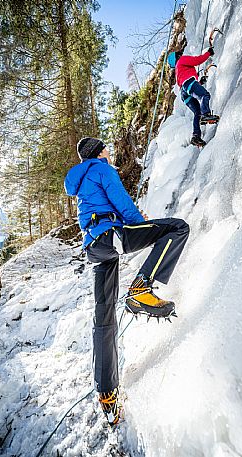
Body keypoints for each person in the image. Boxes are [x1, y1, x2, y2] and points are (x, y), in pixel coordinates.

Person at [64, 137, 190, 426]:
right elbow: (121, 201)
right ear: (98, 152)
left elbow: (102, 206)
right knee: (177, 228)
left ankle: (107, 394)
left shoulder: (81, 179)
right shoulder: (102, 168)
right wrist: (136, 223)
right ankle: (141, 288)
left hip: (95, 247)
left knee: (104, 318)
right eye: (105, 147)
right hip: (112, 235)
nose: (108, 150)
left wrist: (133, 225)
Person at [175, 46, 220, 147]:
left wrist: (199, 82)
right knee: (205, 95)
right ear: (178, 56)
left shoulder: (178, 70)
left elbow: (186, 85)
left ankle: (196, 136)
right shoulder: (181, 60)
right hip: (188, 84)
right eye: (179, 54)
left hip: (184, 93)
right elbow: (196, 61)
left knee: (197, 112)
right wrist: (208, 53)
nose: (181, 55)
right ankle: (206, 115)